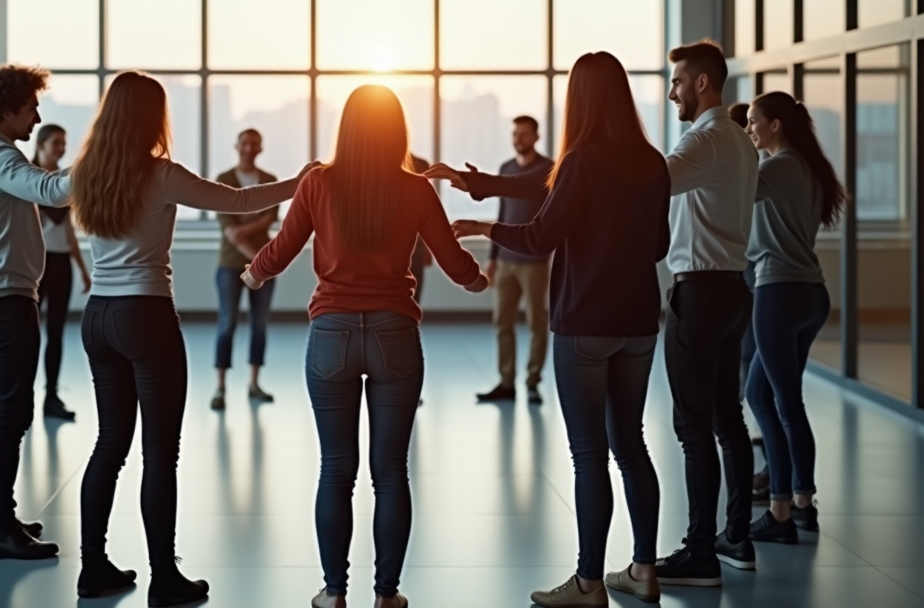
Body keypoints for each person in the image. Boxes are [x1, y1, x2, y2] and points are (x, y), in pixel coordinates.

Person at [70, 72, 316, 604]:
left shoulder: (86, 172)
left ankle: (92, 569)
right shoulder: (160, 173)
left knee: (109, 443)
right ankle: (164, 577)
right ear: (152, 117)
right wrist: (301, 181)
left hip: (98, 317)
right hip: (145, 315)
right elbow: (240, 199)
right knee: (160, 452)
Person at [243, 85, 490, 608]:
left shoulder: (317, 183)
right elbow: (451, 260)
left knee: (336, 467)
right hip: (394, 334)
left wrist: (254, 272)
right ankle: (386, 595)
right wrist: (477, 280)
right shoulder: (417, 189)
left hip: (330, 334)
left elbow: (283, 249)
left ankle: (333, 593)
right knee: (391, 471)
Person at [452, 53, 670, 607]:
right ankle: (644, 570)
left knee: (589, 454)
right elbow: (661, 246)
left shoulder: (581, 161)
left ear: (580, 99)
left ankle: (589, 584)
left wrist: (482, 227)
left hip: (586, 325)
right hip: (641, 323)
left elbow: (540, 237)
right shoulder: (651, 162)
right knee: (633, 446)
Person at [654, 40, 759, 585]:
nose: (670, 91)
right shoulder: (739, 141)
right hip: (732, 291)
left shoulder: (706, 138)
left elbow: (652, 183)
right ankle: (736, 537)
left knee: (693, 426)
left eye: (676, 82)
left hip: (700, 294)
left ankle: (699, 553)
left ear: (701, 83)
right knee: (725, 419)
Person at [0, 65, 70, 560]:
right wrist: (106, 157)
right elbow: (52, 192)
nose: (37, 116)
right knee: (11, 412)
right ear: (7, 108)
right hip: (5, 303)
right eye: (31, 107)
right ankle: (0, 526)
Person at [743, 92, 846, 544]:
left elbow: (729, 193)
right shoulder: (807, 168)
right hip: (810, 292)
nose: (749, 129)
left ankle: (784, 509)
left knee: (781, 403)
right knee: (764, 395)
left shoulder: (777, 167)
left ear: (776, 125)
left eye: (752, 122)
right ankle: (800, 505)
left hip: (779, 292)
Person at [477, 116, 553, 406]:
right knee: (502, 323)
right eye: (515, 134)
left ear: (536, 136)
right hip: (506, 260)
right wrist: (493, 258)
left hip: (534, 261)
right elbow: (502, 214)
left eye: (523, 134)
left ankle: (533, 381)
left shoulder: (549, 169)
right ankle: (506, 383)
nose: (518, 139)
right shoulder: (506, 170)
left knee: (536, 322)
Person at [211, 128, 280, 411]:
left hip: (261, 266)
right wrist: (259, 259)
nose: (249, 148)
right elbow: (229, 231)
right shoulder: (223, 181)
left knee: (259, 324)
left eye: (254, 144)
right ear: (236, 145)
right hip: (230, 265)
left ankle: (254, 384)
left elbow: (270, 218)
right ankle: (220, 387)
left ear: (261, 148)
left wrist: (246, 233)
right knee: (227, 323)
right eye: (245, 143)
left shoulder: (270, 181)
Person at [32, 124, 91, 422]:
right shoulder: (27, 176)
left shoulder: (66, 179)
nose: (60, 148)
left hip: (61, 265)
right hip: (35, 265)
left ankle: (51, 396)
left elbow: (67, 230)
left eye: (64, 143)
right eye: (56, 142)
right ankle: (21, 397)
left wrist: (82, 269)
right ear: (41, 144)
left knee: (55, 333)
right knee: (29, 334)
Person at [730, 102, 771, 504]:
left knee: (763, 378)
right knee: (752, 369)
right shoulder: (752, 170)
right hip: (748, 276)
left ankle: (776, 476)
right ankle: (773, 475)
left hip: (759, 279)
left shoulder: (760, 173)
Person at [409, 153, 433, 301]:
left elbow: (426, 210)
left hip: (415, 248)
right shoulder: (371, 164)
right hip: (382, 250)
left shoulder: (420, 166)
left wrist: (427, 247)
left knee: (414, 299)